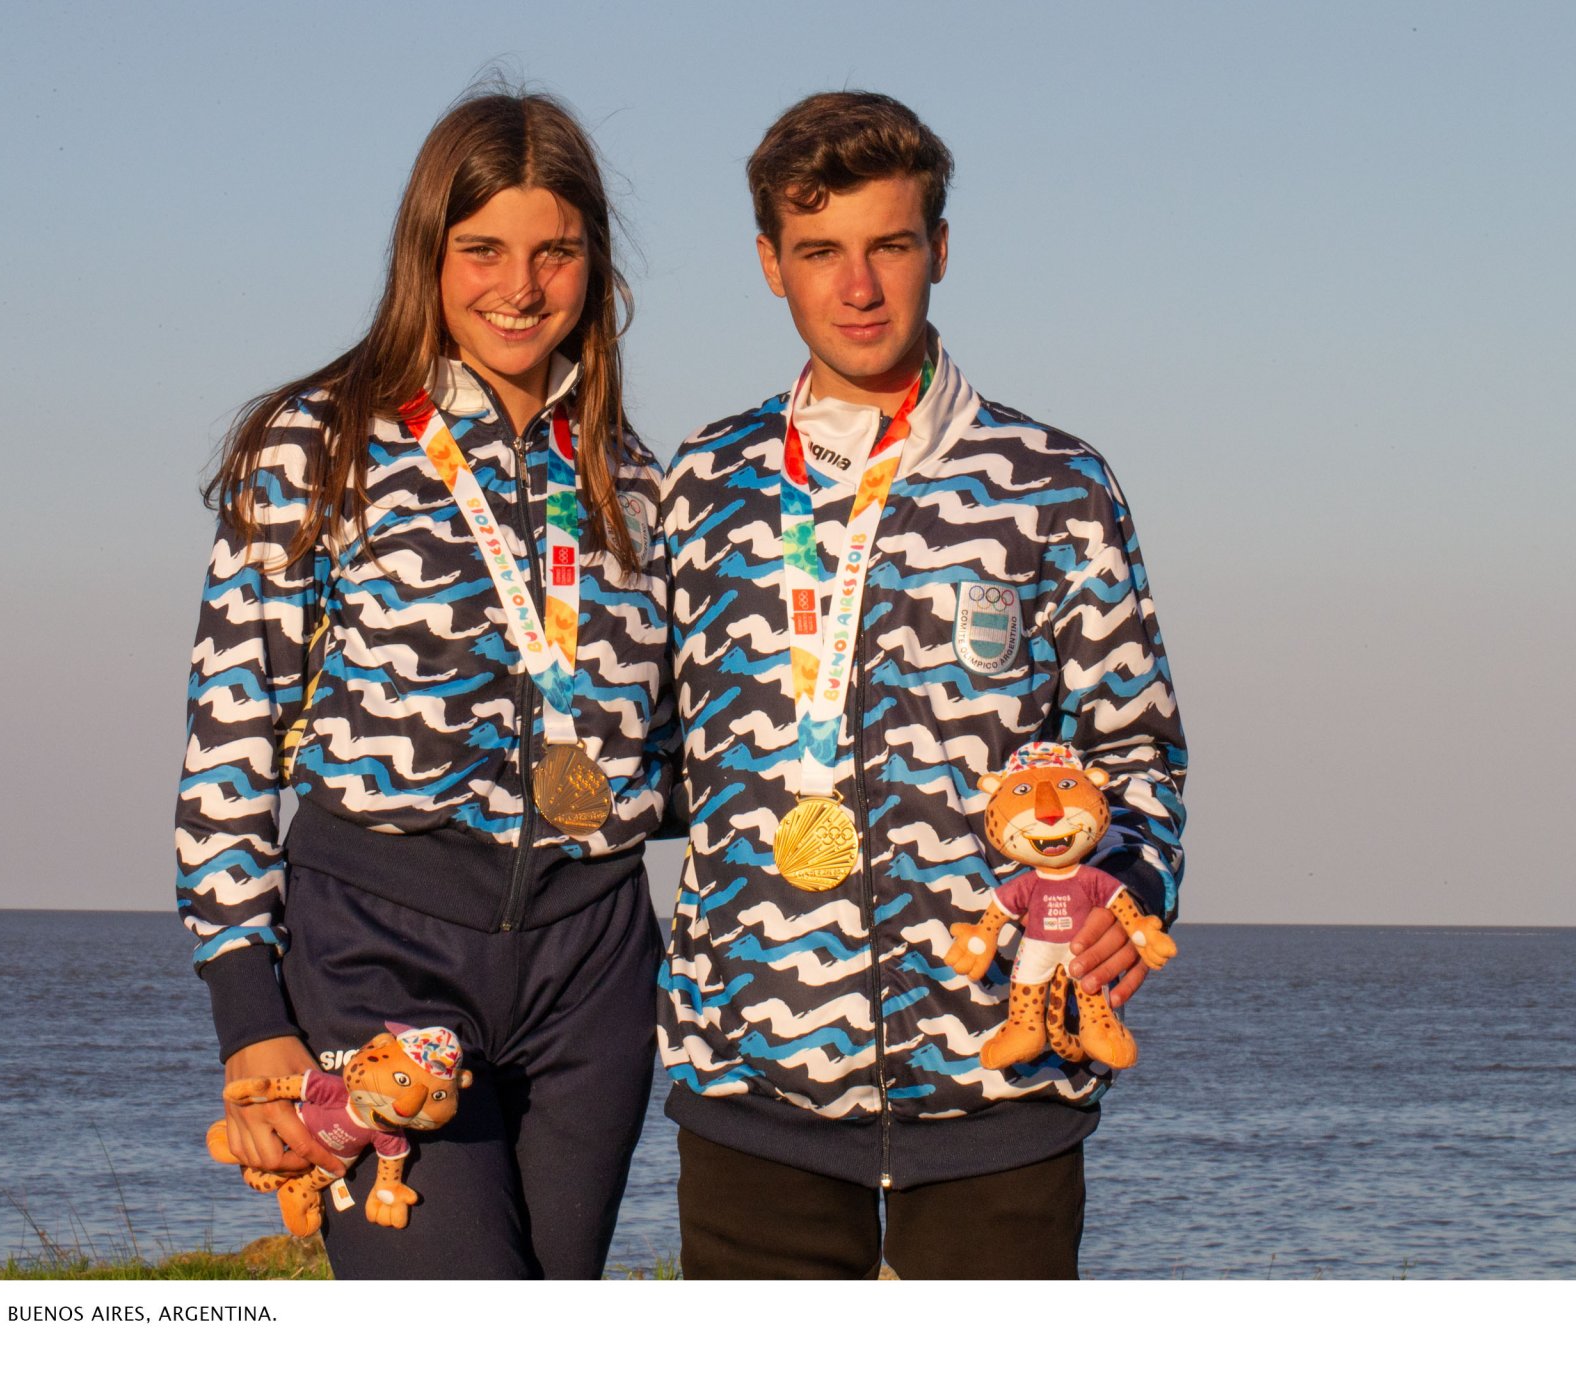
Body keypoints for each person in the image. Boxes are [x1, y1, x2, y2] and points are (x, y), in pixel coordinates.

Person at [657, 91, 1187, 1279]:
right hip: (752, 1094)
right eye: (820, 253)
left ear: (939, 249)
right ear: (768, 266)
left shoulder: (1055, 484)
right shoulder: (703, 485)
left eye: (890, 245)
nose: (859, 288)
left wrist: (1125, 883)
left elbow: (1140, 753)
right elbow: (644, 757)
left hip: (1004, 1084)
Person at [175, 89, 673, 1280]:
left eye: (556, 250)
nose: (521, 286)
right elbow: (229, 741)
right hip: (381, 955)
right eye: (483, 250)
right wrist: (252, 1016)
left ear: (593, 265)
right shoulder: (317, 442)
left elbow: (669, 753)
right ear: (428, 256)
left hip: (592, 967)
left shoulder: (631, 475)